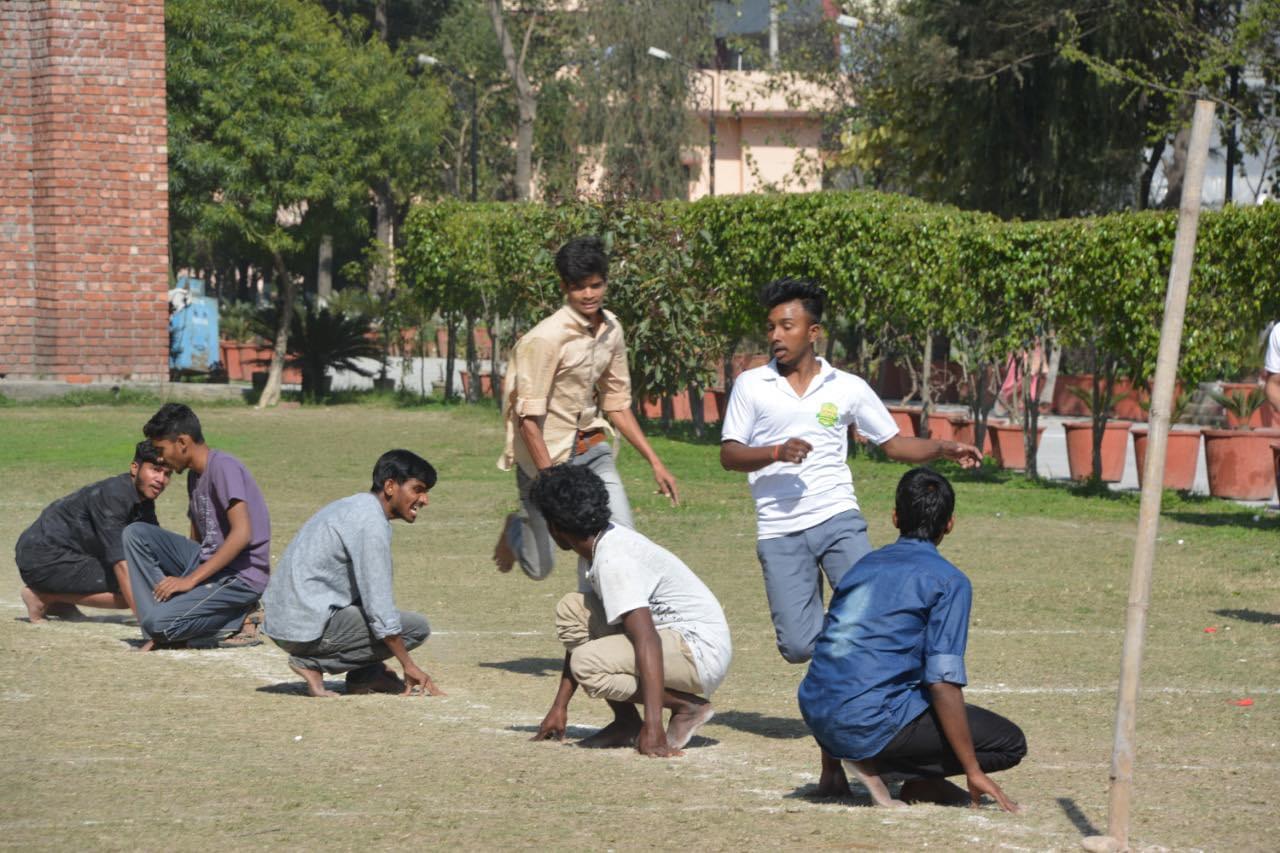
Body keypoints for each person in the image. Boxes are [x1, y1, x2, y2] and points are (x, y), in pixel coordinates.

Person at [719, 277, 983, 793]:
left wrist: (945, 449)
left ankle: (862, 757)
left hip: (838, 519)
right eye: (771, 326)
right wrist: (774, 451)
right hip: (780, 531)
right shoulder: (752, 385)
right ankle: (848, 742)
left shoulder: (847, 388)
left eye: (787, 325)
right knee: (802, 646)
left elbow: (893, 444)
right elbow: (729, 453)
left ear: (813, 332)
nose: (776, 334)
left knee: (871, 626)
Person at [798, 468, 1025, 810]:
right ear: (949, 524)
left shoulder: (861, 567)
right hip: (868, 721)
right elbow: (942, 681)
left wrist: (829, 766)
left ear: (894, 517)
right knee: (1009, 743)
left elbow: (837, 651)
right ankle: (874, 764)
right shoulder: (949, 581)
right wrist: (972, 770)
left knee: (884, 678)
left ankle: (916, 782)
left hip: (816, 709)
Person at [493, 235, 679, 580]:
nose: (589, 295)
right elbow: (527, 420)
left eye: (596, 285)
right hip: (544, 463)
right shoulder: (545, 339)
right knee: (541, 567)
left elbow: (617, 404)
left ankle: (602, 620)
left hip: (592, 449)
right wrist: (551, 482)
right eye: (580, 287)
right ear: (565, 287)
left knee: (619, 540)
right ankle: (517, 529)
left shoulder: (611, 330)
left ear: (606, 282)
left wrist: (656, 462)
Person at [529, 464, 731, 757]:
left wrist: (654, 727)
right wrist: (560, 707)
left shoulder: (613, 558)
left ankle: (686, 707)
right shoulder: (594, 547)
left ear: (554, 527)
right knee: (573, 609)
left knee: (587, 664)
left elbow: (645, 637)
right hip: (674, 640)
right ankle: (626, 722)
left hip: (698, 651)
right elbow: (585, 628)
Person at [262, 450, 445, 698]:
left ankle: (367, 677)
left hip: (285, 621)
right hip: (301, 628)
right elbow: (379, 606)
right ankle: (312, 664)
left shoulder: (357, 506)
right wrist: (408, 665)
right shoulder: (370, 523)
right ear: (390, 486)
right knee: (415, 628)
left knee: (373, 613)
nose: (424, 500)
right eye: (418, 489)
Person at [122, 403, 270, 651]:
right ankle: (161, 623)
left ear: (182, 442)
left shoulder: (224, 467)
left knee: (158, 624)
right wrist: (185, 582)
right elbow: (200, 538)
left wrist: (189, 581)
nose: (160, 457)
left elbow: (242, 534)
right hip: (211, 565)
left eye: (161, 449)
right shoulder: (194, 475)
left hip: (240, 576)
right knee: (136, 534)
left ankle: (241, 616)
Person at [17, 440, 171, 623]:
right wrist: (149, 622)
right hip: (42, 557)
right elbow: (121, 563)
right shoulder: (114, 496)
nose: (161, 480)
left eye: (167, 474)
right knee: (135, 588)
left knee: (145, 577)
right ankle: (44, 597)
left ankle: (59, 599)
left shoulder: (143, 498)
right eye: (155, 469)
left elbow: (154, 549)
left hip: (64, 554)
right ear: (135, 468)